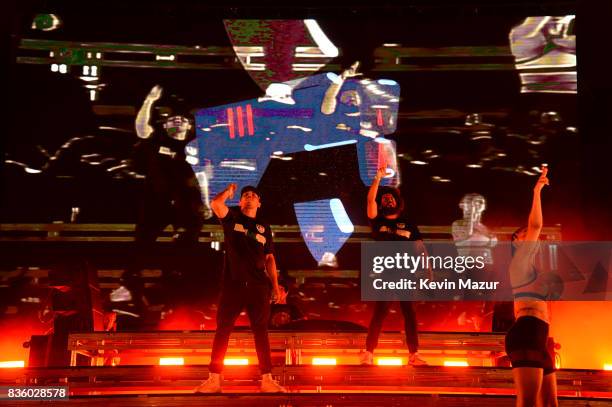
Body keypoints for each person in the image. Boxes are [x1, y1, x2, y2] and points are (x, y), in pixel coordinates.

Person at [195, 184, 287, 393]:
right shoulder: (232, 218)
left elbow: (270, 258)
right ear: (240, 201)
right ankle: (214, 379)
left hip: (258, 286)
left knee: (261, 332)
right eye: (246, 195)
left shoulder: (265, 228)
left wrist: (274, 285)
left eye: (254, 196)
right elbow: (216, 204)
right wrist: (227, 192)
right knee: (223, 330)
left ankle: (266, 379)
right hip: (233, 285)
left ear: (259, 203)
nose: (249, 197)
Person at [359, 166, 428, 366]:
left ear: (398, 203)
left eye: (391, 197)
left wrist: (427, 273)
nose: (387, 199)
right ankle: (369, 353)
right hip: (386, 274)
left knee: (410, 314)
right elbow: (370, 200)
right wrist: (378, 178)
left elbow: (421, 250)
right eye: (384, 198)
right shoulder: (377, 221)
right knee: (380, 312)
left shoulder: (409, 225)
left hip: (407, 274)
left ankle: (414, 354)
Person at [505, 166, 558, 407]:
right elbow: (536, 226)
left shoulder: (536, 269)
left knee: (549, 404)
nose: (530, 237)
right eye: (523, 235)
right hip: (527, 332)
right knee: (528, 403)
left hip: (540, 333)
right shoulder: (519, 260)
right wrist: (537, 191)